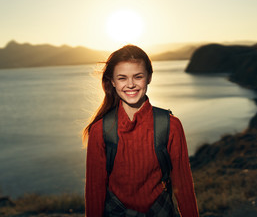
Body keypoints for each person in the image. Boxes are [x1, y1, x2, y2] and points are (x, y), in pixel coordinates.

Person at [83, 45, 199, 216]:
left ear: (149, 77)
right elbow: (95, 190)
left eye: (138, 77)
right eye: (122, 78)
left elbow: (183, 186)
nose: (130, 85)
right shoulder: (100, 130)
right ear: (113, 82)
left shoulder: (170, 125)